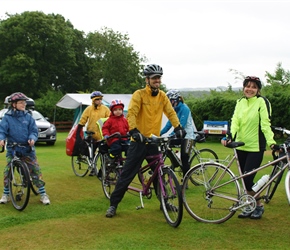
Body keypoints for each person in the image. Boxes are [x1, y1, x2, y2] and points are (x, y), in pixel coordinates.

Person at [105, 64, 186, 218]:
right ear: (147, 80)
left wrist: (178, 127)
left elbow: (170, 112)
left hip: (153, 141)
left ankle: (164, 202)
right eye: (154, 78)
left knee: (158, 174)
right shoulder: (139, 94)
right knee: (127, 174)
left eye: (159, 78)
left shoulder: (162, 96)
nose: (157, 80)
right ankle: (113, 204)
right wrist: (134, 131)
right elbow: (132, 113)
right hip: (139, 141)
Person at [221, 76, 276, 219]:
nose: (250, 89)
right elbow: (235, 122)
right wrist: (230, 136)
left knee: (247, 178)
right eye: (248, 86)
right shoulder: (239, 102)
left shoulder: (262, 102)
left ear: (258, 90)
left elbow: (265, 124)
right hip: (240, 145)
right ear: (243, 87)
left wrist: (271, 142)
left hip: (255, 147)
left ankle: (259, 206)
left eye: (254, 87)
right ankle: (251, 205)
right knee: (245, 181)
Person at [0, 92, 50, 205]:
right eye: (21, 103)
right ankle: (6, 194)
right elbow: (2, 131)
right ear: (14, 104)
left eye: (24, 102)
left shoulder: (28, 117)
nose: (24, 104)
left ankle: (43, 194)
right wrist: (1, 139)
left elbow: (33, 131)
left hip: (27, 150)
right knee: (7, 172)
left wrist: (32, 138)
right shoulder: (7, 118)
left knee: (35, 170)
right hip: (13, 150)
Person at [160, 89, 196, 179]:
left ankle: (185, 180)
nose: (170, 103)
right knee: (166, 145)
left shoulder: (185, 108)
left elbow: (181, 126)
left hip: (188, 136)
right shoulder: (175, 110)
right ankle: (175, 162)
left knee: (184, 159)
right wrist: (159, 133)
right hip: (181, 135)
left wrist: (171, 134)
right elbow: (169, 124)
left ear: (176, 100)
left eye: (170, 101)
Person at [78, 91, 110, 176]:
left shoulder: (105, 109)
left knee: (103, 152)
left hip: (102, 134)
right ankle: (92, 167)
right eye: (97, 99)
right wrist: (80, 127)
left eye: (100, 99)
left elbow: (110, 119)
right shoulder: (89, 109)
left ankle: (102, 169)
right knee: (90, 152)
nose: (99, 101)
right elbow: (83, 119)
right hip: (91, 134)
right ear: (93, 100)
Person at [102, 99, 130, 165]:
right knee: (117, 148)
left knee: (130, 148)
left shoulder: (124, 120)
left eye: (120, 110)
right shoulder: (110, 120)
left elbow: (128, 128)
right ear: (112, 111)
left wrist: (130, 133)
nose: (118, 112)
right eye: (115, 110)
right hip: (114, 139)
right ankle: (110, 157)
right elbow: (105, 128)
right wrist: (106, 135)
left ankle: (128, 161)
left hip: (124, 138)